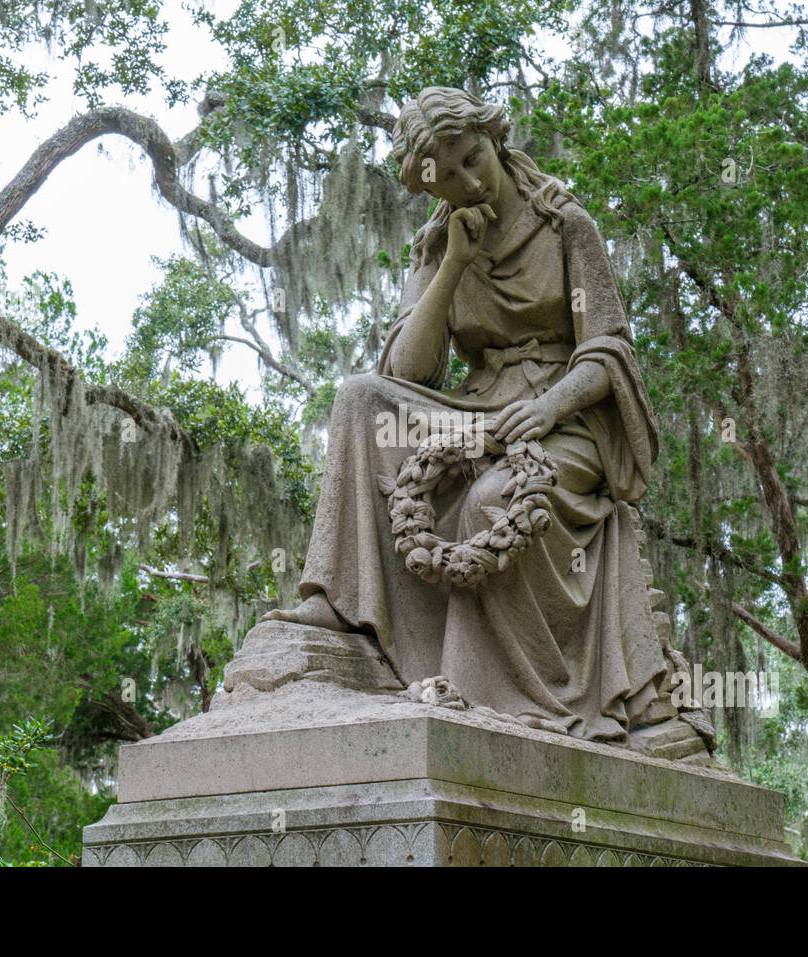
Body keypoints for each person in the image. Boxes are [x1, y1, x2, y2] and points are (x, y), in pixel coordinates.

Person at [265, 86, 669, 742]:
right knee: (359, 398)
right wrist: (451, 262)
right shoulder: (439, 244)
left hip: (562, 420)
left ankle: (487, 691)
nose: (467, 181)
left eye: (472, 159)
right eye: (444, 177)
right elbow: (407, 373)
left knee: (490, 501)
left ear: (495, 139)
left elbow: (609, 354)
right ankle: (338, 605)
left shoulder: (564, 225)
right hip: (476, 410)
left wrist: (545, 408)